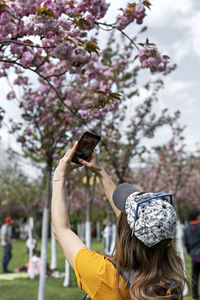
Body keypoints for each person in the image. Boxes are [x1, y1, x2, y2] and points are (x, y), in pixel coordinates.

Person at [51, 142, 189, 299]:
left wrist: (59, 176)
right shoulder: (172, 279)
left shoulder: (105, 276)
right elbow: (136, 227)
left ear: (125, 234)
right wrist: (101, 172)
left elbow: (61, 229)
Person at [183, 209, 200, 300]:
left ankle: (195, 296)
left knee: (194, 277)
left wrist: (191, 253)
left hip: (194, 257)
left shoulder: (186, 229)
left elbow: (186, 244)